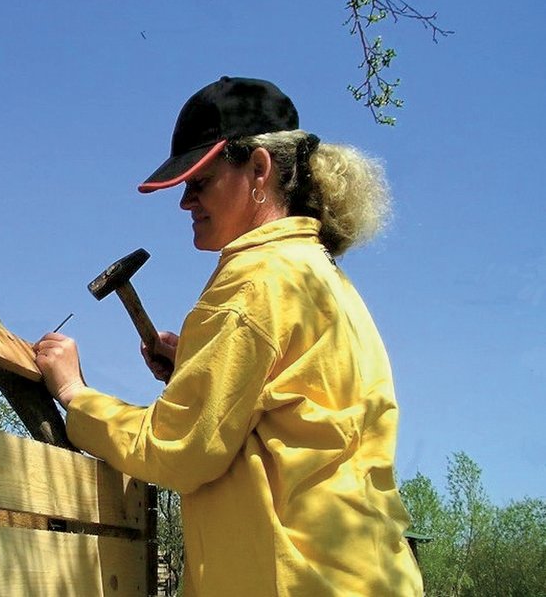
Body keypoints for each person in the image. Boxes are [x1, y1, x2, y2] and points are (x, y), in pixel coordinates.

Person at [33, 76, 423, 596]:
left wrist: (74, 395)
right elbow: (286, 416)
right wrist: (199, 368)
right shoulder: (319, 276)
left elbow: (177, 451)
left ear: (258, 169)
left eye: (199, 182)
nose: (185, 202)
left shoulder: (255, 279)